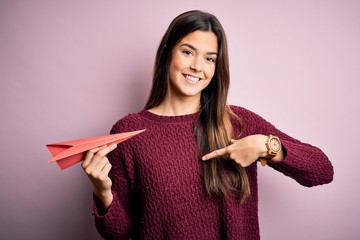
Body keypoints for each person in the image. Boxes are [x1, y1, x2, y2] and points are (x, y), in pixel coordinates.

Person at [81, 10, 333, 240]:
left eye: (210, 59)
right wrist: (103, 191)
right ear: (168, 51)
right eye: (188, 52)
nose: (197, 67)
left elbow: (322, 170)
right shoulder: (129, 133)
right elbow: (118, 233)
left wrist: (267, 145)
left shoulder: (238, 122)